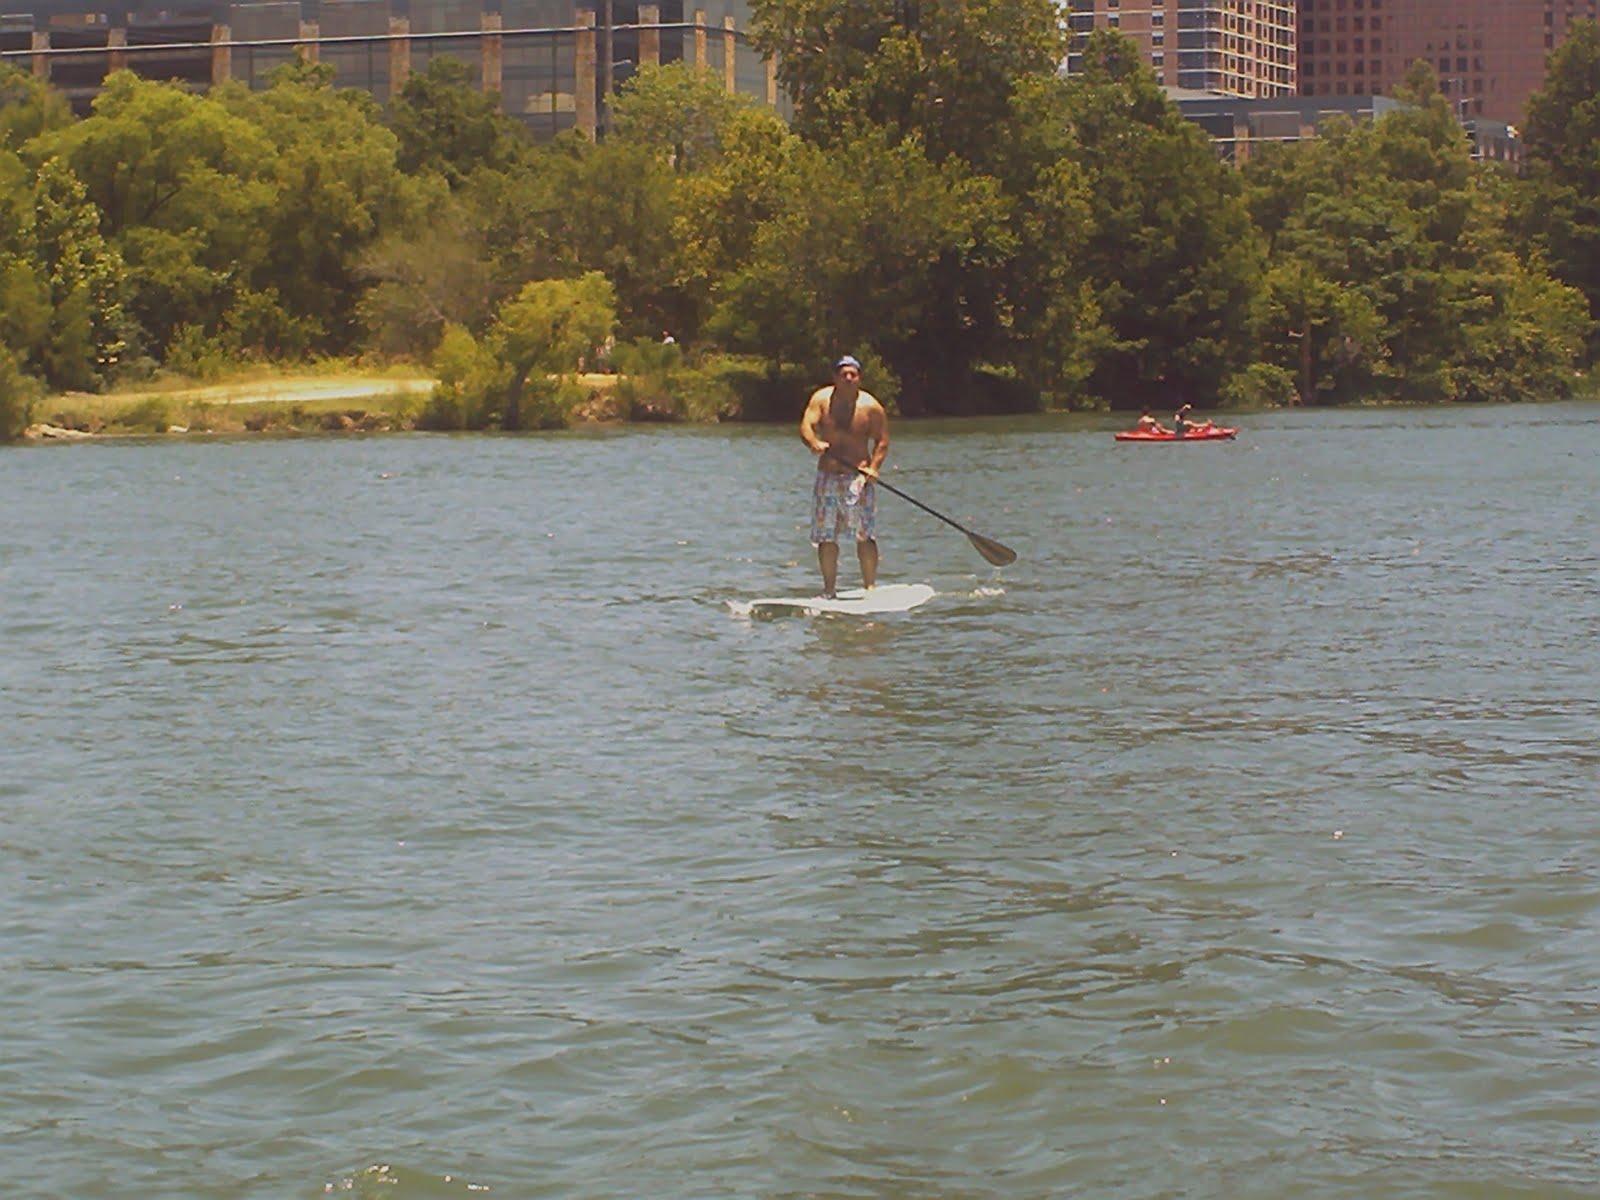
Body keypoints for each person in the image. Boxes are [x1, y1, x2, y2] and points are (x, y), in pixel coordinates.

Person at [799, 354, 890, 598]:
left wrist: (874, 467)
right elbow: (806, 425)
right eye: (843, 373)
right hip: (827, 477)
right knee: (826, 537)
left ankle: (870, 588)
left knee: (864, 535)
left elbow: (882, 440)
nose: (848, 378)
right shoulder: (821, 400)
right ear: (835, 377)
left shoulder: (870, 406)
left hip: (857, 479)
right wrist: (813, 442)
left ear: (859, 377)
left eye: (853, 374)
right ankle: (829, 590)